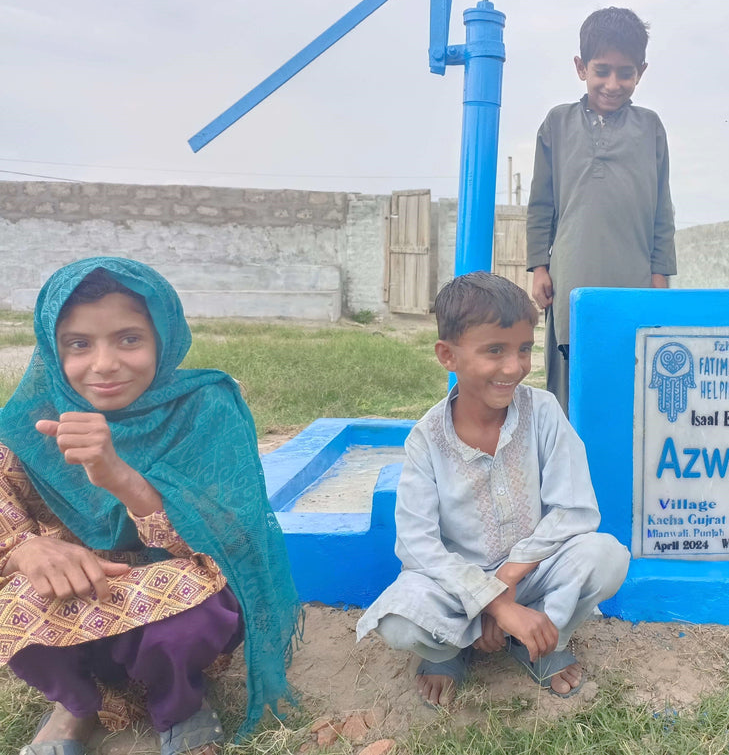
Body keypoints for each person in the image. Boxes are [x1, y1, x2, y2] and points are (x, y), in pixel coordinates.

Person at [0, 257, 300, 755]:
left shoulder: (206, 407)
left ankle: (178, 703)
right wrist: (26, 550)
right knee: (19, 596)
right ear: (53, 352)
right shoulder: (31, 421)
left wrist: (120, 477)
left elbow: (234, 543)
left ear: (163, 337)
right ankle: (76, 706)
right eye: (79, 344)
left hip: (176, 594)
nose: (103, 364)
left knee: (195, 613)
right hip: (80, 597)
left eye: (129, 339)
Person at [356, 272, 629, 707]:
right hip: (455, 582)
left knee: (605, 556)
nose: (513, 367)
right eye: (494, 350)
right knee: (399, 621)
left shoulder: (543, 412)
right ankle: (447, 653)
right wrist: (493, 603)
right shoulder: (426, 440)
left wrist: (506, 582)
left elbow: (574, 511)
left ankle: (539, 640)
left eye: (524, 349)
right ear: (447, 355)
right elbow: (418, 545)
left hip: (531, 573)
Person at [526, 6, 677, 412]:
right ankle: (567, 469)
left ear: (640, 72)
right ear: (581, 67)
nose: (613, 83)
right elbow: (541, 203)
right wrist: (539, 266)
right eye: (602, 70)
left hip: (634, 280)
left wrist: (660, 273)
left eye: (625, 73)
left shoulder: (650, 128)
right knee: (572, 385)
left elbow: (662, 208)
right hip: (570, 278)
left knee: (632, 381)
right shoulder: (557, 124)